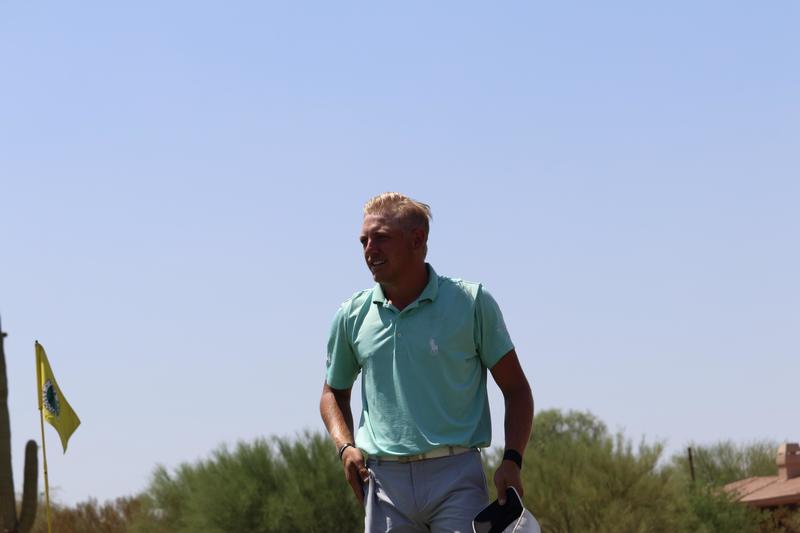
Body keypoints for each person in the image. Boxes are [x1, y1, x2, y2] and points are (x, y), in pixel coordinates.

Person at [320, 192, 533, 533]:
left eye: (381, 238)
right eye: (364, 241)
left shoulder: (471, 302)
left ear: (417, 239)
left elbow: (517, 389)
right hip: (383, 482)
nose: (369, 250)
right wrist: (345, 447)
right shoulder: (351, 315)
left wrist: (512, 460)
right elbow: (333, 393)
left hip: (456, 477)